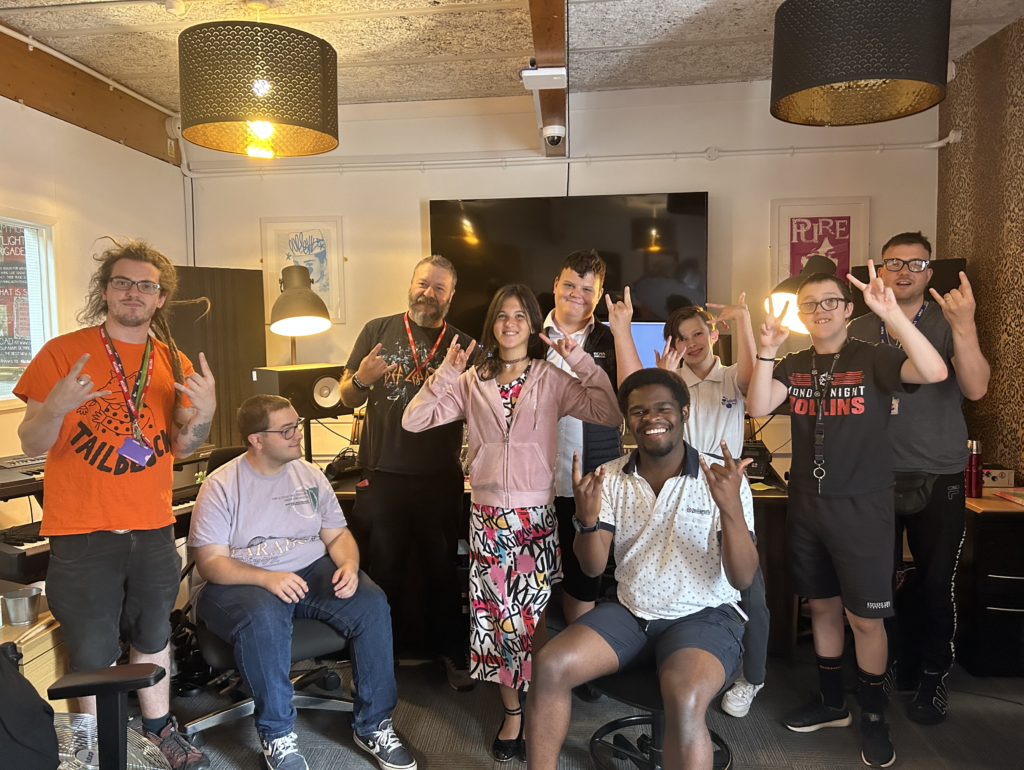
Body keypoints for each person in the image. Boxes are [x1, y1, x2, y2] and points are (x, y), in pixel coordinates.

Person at [15, 238, 216, 770]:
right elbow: (32, 442)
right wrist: (56, 405)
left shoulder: (170, 360)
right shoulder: (63, 352)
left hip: (151, 525)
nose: (133, 292)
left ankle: (158, 730)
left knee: (154, 634)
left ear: (160, 299)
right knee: (91, 648)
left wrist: (206, 412)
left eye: (145, 285)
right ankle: (93, 746)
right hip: (83, 529)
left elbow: (182, 447)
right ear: (106, 291)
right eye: (122, 282)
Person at [402, 284, 620, 762]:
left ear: (533, 323)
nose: (510, 323)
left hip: (535, 517)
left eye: (520, 315)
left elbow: (608, 411)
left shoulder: (550, 377)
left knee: (532, 620)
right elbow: (414, 421)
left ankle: (539, 699)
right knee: (496, 623)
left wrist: (580, 361)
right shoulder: (471, 381)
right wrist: (446, 373)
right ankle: (512, 712)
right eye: (502, 315)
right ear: (492, 324)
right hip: (486, 517)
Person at [746, 265, 947, 768]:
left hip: (863, 506)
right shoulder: (794, 363)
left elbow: (934, 371)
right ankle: (833, 704)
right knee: (823, 609)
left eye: (829, 302)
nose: (819, 311)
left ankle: (875, 716)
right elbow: (758, 405)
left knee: (866, 618)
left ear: (847, 308)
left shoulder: (873, 357)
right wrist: (766, 347)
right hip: (808, 505)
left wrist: (891, 316)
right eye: (809, 304)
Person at [525, 368, 759, 770]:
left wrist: (731, 510)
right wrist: (586, 520)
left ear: (683, 412)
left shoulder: (720, 479)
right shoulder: (611, 477)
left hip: (704, 615)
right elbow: (594, 565)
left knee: (684, 700)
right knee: (549, 665)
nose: (651, 417)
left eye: (662, 407)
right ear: (627, 420)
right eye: (638, 411)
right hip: (631, 613)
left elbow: (742, 578)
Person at [189, 395, 414, 770]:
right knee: (263, 616)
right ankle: (278, 735)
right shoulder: (221, 485)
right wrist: (268, 578)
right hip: (238, 579)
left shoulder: (309, 474)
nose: (298, 434)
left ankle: (374, 724)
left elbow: (337, 535)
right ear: (257, 440)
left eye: (297, 424)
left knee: (371, 602)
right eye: (287, 429)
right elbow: (211, 563)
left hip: (308, 571)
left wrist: (348, 564)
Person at [607, 288, 770, 719]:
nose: (690, 343)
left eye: (697, 332)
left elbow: (756, 387)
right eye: (680, 338)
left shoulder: (732, 375)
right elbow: (635, 393)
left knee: (748, 588)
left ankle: (752, 678)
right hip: (673, 489)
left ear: (711, 333)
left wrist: (745, 322)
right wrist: (663, 374)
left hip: (721, 491)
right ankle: (667, 659)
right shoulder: (674, 383)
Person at [847, 232, 989, 724]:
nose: (904, 271)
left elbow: (975, 388)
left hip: (938, 470)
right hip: (871, 478)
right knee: (875, 583)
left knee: (934, 583)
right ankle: (882, 672)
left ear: (930, 274)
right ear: (879, 272)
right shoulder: (861, 327)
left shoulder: (949, 322)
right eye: (893, 263)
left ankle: (932, 678)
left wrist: (966, 325)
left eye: (916, 263)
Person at [339, 255, 474, 690]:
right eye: (422, 284)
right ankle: (378, 661)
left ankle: (452, 654)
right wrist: (361, 380)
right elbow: (344, 397)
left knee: (441, 571)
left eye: (438, 288)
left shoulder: (465, 346)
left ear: (451, 296)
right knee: (383, 571)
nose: (427, 294)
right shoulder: (377, 331)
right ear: (410, 285)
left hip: (439, 477)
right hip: (382, 474)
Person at [542, 250, 621, 630]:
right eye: (569, 285)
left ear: (599, 292)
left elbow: (627, 399)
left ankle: (579, 664)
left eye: (587, 289)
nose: (576, 294)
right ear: (555, 285)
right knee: (532, 576)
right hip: (533, 484)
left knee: (585, 577)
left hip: (592, 482)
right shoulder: (525, 334)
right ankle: (532, 663)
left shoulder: (610, 339)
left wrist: (622, 332)